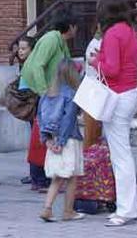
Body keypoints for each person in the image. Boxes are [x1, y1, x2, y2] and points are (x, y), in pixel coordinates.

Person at [89, 0, 137, 227]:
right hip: (130, 93)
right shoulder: (130, 31)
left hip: (117, 95)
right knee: (123, 153)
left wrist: (94, 62)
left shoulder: (112, 34)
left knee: (120, 155)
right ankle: (127, 206)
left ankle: (125, 209)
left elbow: (110, 69)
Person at [20, 11, 78, 194]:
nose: (77, 30)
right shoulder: (51, 39)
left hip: (53, 93)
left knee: (46, 131)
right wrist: (44, 92)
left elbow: (66, 66)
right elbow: (38, 65)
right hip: (42, 91)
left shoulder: (61, 43)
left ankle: (44, 175)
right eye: (75, 26)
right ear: (70, 27)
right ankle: (38, 178)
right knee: (42, 131)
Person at [38, 59, 85, 223]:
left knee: (57, 177)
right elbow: (69, 119)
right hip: (68, 140)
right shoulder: (71, 94)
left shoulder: (47, 94)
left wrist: (47, 139)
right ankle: (68, 211)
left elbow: (40, 118)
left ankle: (47, 208)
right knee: (71, 177)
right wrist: (62, 141)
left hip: (52, 140)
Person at [15, 36, 46, 189]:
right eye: (19, 48)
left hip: (33, 104)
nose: (20, 51)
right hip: (32, 105)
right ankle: (37, 177)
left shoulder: (31, 64)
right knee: (37, 140)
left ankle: (35, 175)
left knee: (37, 140)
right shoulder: (28, 65)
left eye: (23, 48)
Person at [83, 30, 104, 149]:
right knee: (92, 133)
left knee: (94, 132)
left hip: (94, 88)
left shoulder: (98, 42)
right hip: (94, 89)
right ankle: (90, 163)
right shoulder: (96, 44)